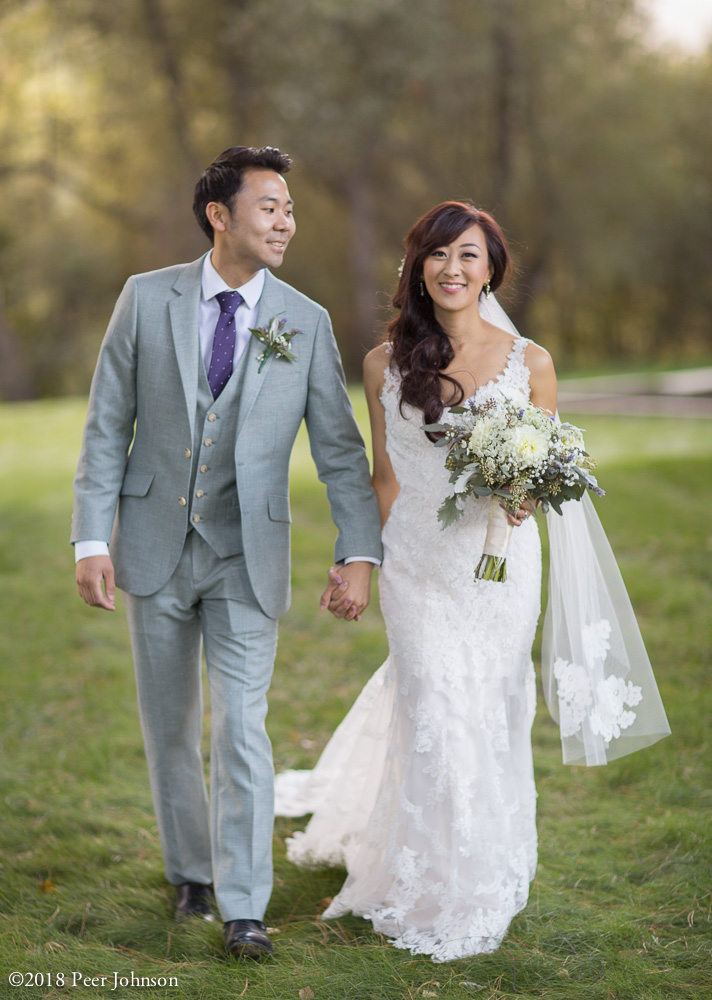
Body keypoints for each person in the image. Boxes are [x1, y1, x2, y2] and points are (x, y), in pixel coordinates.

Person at [275, 200, 670, 961]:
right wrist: (362, 560)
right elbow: (383, 478)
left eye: (468, 256)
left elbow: (547, 470)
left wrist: (521, 489)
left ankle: (478, 875)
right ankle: (427, 880)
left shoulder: (532, 364)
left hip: (498, 570)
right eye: (437, 255)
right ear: (417, 267)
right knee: (431, 699)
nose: (451, 269)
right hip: (418, 563)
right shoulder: (383, 364)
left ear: (491, 270)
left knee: (487, 707)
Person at [72, 145, 383, 961]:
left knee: (243, 728)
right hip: (150, 546)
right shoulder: (145, 300)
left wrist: (360, 551)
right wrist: (90, 538)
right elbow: (107, 425)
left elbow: (342, 454)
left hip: (248, 555)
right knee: (169, 726)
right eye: (270, 206)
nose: (286, 221)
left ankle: (245, 905)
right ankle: (192, 876)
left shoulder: (305, 322)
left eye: (289, 209)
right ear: (220, 215)